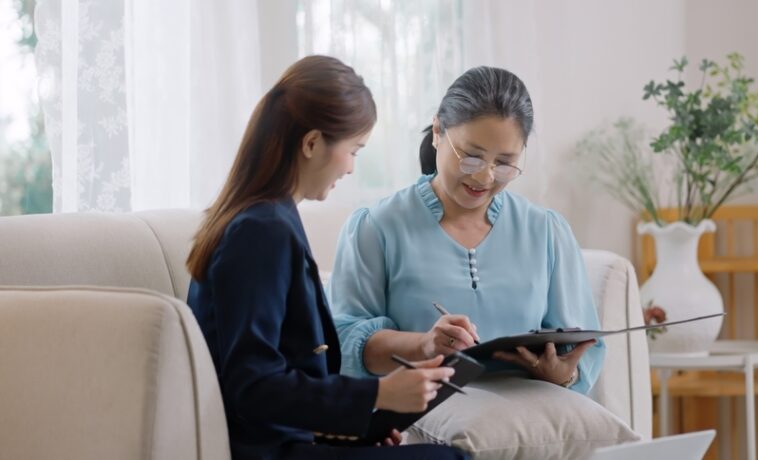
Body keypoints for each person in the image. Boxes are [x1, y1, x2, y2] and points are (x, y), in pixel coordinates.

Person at [185, 55, 468, 460]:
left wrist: (352, 429)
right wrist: (379, 392)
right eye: (354, 149)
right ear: (312, 142)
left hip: (294, 441)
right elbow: (252, 386)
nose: (352, 168)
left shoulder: (268, 218)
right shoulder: (260, 230)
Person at [331, 66, 605, 395]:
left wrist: (563, 375)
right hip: (423, 414)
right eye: (472, 157)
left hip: (528, 418)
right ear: (437, 132)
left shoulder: (546, 231)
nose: (484, 178)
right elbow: (344, 341)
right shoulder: (376, 227)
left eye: (504, 163)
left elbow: (583, 355)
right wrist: (425, 346)